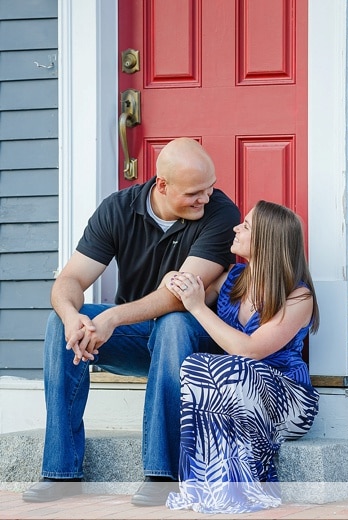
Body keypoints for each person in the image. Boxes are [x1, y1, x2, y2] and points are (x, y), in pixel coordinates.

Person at [22, 138, 241, 506]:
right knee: (60, 325)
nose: (206, 198)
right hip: (137, 336)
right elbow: (70, 280)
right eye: (194, 193)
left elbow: (180, 295)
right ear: (162, 185)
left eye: (210, 187)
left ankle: (162, 474)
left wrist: (112, 316)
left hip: (194, 342)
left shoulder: (220, 215)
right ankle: (61, 472)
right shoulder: (118, 209)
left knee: (173, 323)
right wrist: (73, 316)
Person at [164, 200, 320, 514]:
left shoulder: (298, 296)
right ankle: (204, 486)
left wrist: (197, 307)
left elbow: (250, 351)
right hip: (234, 392)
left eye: (245, 225)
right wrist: (176, 281)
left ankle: (247, 486)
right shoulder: (232, 279)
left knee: (239, 367)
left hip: (287, 400)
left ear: (267, 240)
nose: (236, 227)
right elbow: (185, 295)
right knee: (197, 364)